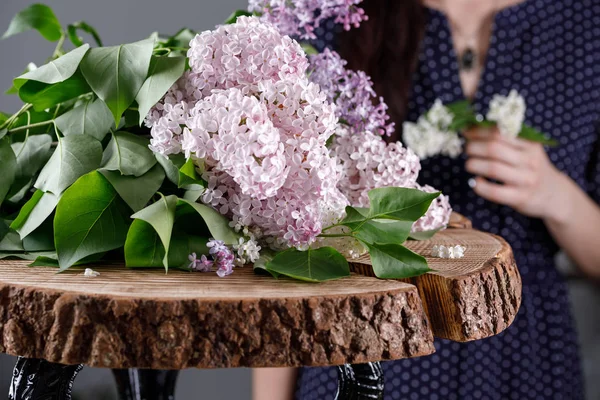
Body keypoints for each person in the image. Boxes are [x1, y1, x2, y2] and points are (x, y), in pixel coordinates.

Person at [253, 0, 600, 398]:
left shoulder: (586, 22)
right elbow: (285, 244)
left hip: (526, 355)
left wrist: (558, 196)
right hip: (366, 344)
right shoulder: (334, 15)